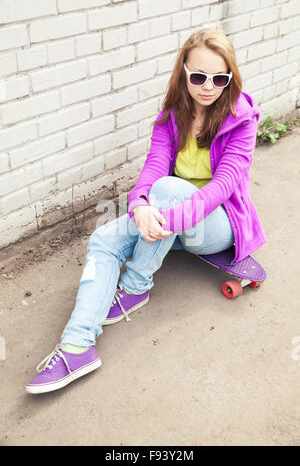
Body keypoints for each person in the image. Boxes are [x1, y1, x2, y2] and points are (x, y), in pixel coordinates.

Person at [26, 29, 266, 394]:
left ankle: (136, 284)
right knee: (104, 238)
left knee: (167, 191)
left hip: (218, 225)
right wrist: (139, 208)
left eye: (220, 78)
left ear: (231, 77)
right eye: (199, 76)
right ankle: (77, 346)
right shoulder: (172, 115)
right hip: (169, 218)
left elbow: (221, 188)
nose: (208, 86)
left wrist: (161, 220)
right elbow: (153, 168)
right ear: (183, 72)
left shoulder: (241, 119)